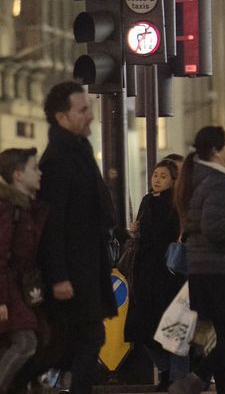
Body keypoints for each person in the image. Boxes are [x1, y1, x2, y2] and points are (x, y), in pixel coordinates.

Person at [37, 82, 117, 394]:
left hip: (86, 265)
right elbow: (53, 223)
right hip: (73, 269)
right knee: (86, 337)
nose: (91, 116)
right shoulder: (58, 160)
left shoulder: (79, 152)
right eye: (82, 110)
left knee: (73, 342)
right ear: (61, 116)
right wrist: (59, 276)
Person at [168, 127, 225, 394]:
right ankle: (196, 378)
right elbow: (213, 227)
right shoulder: (217, 182)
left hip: (206, 269)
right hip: (219, 270)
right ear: (217, 151)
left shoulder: (203, 178)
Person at [124, 159, 187, 391]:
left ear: (172, 180)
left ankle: (173, 375)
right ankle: (165, 370)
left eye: (163, 176)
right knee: (144, 328)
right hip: (145, 271)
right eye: (154, 175)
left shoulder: (176, 203)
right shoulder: (147, 200)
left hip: (168, 272)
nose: (157, 179)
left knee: (168, 326)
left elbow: (171, 233)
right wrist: (134, 230)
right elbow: (142, 229)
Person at [0, 147, 47, 393]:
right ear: (18, 175)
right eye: (34, 168)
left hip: (20, 290)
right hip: (10, 290)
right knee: (26, 343)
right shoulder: (9, 208)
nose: (40, 173)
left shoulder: (26, 208)